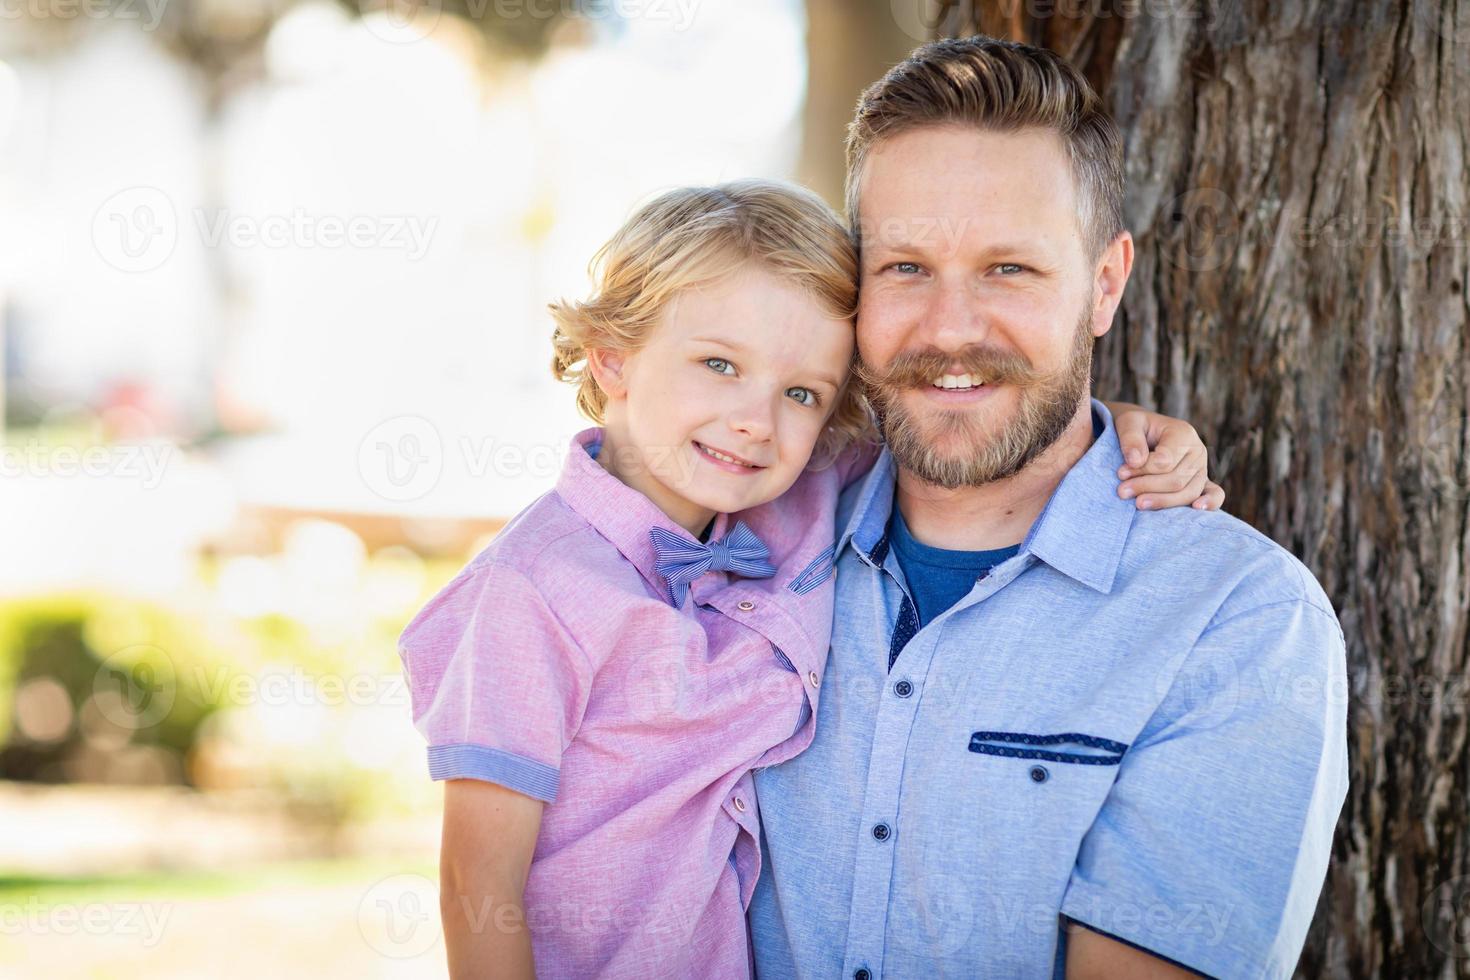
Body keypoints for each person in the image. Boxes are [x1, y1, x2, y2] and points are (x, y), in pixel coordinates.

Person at [397, 179, 1221, 979]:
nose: (757, 420)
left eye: (802, 392)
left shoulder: (799, 497)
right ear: (612, 357)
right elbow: (478, 881)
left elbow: (980, 440)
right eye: (718, 364)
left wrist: (1135, 435)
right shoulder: (531, 592)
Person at [747, 36, 1350, 980]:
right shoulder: (749, 537)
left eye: (1009, 270)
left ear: (1104, 283)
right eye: (904, 267)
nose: (950, 330)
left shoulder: (1238, 622)